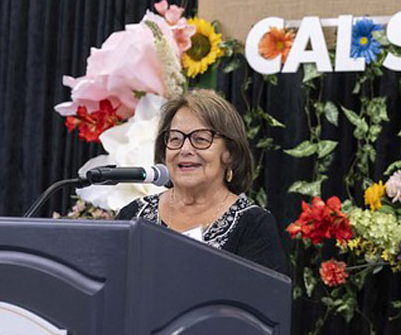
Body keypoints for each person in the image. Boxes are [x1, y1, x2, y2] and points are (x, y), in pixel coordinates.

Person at [117, 89, 289, 275]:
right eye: (175, 139)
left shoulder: (253, 225)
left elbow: (264, 301)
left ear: (229, 153)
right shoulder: (133, 215)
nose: (185, 149)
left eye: (201, 139)